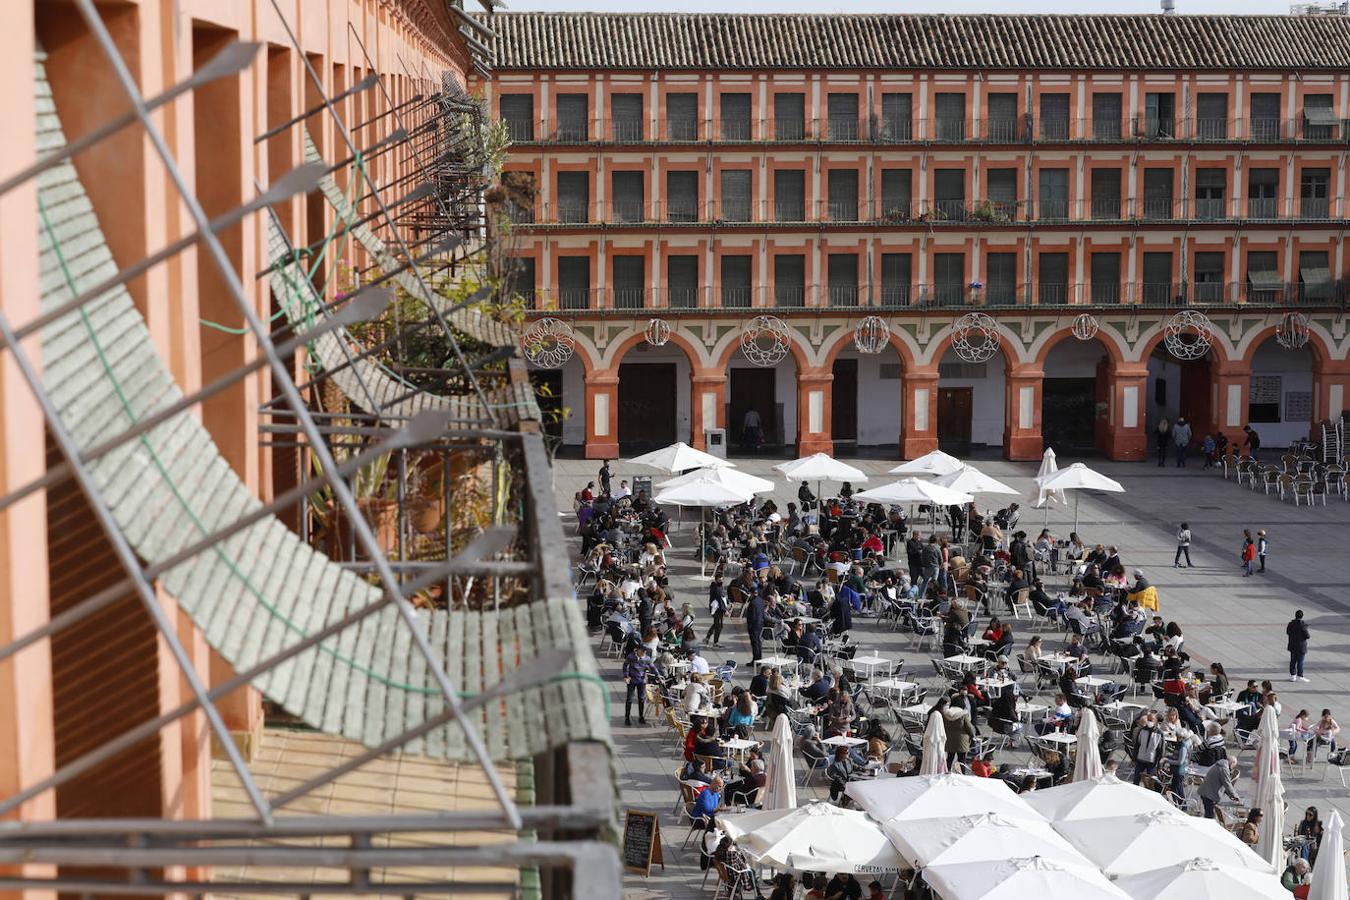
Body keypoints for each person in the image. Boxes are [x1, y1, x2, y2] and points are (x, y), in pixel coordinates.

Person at [622, 644, 655, 726]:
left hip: (641, 681)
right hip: (632, 680)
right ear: (638, 650)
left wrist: (658, 675)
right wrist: (626, 676)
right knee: (629, 699)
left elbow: (653, 667)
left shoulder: (647, 658)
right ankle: (627, 718)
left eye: (645, 651)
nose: (644, 652)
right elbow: (625, 665)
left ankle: (641, 717)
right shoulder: (631, 656)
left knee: (641, 699)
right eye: (643, 651)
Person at [1131, 711, 1165, 785]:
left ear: (1155, 721)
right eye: (1148, 720)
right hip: (1140, 759)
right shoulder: (1142, 730)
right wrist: (1133, 759)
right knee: (1136, 779)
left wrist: (1159, 765)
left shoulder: (1159, 733)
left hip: (1151, 762)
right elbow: (1137, 745)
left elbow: (1161, 750)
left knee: (1150, 782)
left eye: (1151, 720)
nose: (1149, 722)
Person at [1287, 609, 1310, 682]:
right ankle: (1300, 675)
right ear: (1302, 616)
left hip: (1292, 645)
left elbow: (1288, 632)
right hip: (1301, 646)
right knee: (1300, 661)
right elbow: (1307, 636)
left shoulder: (1291, 624)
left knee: (1293, 661)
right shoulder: (1303, 625)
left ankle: (1293, 675)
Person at [745, 586, 765, 663]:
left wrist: (749, 626)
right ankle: (759, 658)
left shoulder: (752, 603)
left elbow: (752, 616)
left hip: (754, 626)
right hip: (760, 624)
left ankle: (756, 659)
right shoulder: (760, 600)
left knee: (755, 643)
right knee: (758, 642)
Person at [706, 576, 728, 647]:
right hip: (717, 609)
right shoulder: (716, 588)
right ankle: (715, 642)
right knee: (719, 626)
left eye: (722, 579)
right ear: (716, 580)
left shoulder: (718, 586)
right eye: (719, 579)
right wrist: (725, 610)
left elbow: (723, 596)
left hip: (716, 609)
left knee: (716, 624)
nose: (721, 581)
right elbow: (720, 599)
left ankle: (707, 638)